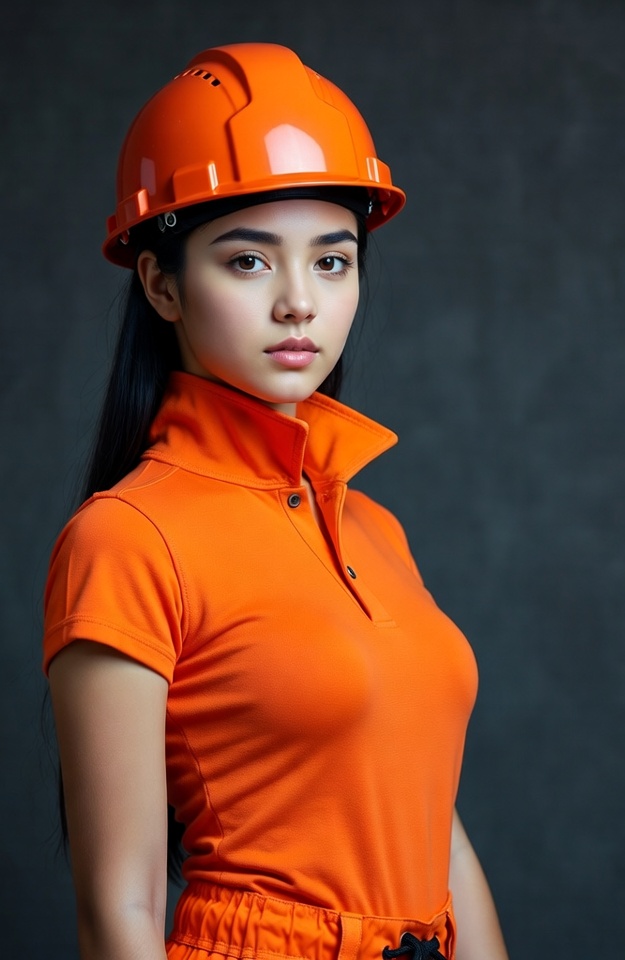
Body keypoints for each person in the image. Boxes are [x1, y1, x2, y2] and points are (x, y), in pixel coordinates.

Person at [44, 42, 508, 960]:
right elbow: (120, 910)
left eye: (332, 263)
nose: (300, 303)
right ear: (161, 284)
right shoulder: (126, 539)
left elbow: (433, 829)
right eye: (249, 262)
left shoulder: (375, 529)